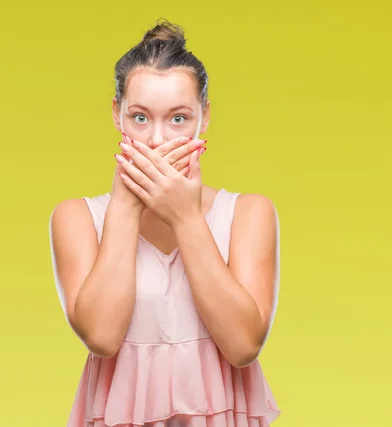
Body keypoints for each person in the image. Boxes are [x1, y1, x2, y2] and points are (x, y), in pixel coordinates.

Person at [49, 19, 281, 427]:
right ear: (117, 115)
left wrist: (186, 218)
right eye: (140, 118)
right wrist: (124, 209)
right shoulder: (76, 217)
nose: (157, 140)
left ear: (204, 118)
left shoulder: (249, 213)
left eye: (178, 119)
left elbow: (244, 345)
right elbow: (102, 338)